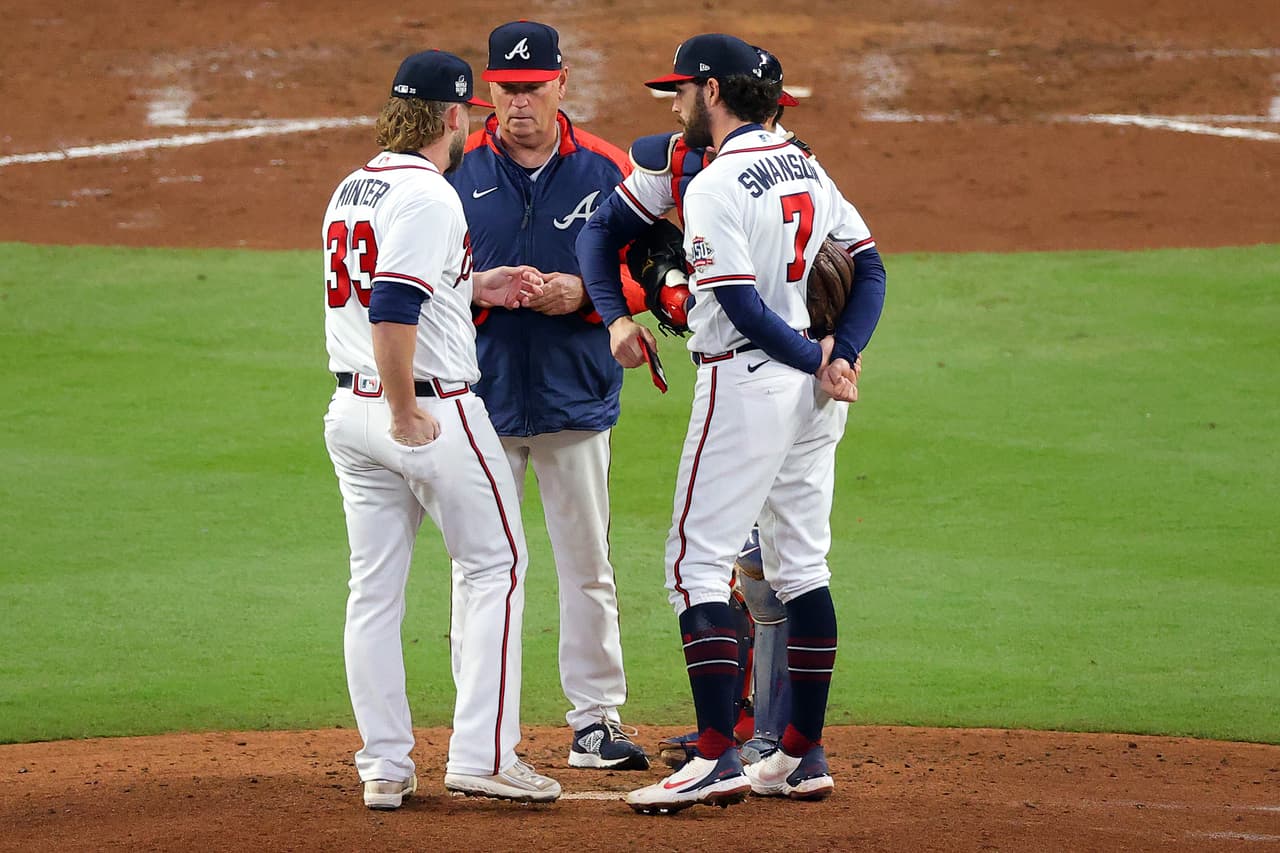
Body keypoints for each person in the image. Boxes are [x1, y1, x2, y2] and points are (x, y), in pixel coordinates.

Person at [581, 33, 886, 814]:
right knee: (801, 567)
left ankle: (716, 753)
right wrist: (839, 353)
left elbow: (743, 308)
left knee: (694, 560)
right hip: (813, 395)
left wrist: (812, 357)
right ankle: (796, 755)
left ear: (713, 91)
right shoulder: (808, 166)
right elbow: (873, 266)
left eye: (683, 88)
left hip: (748, 381)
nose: (677, 101)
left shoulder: (717, 183)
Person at [321, 48, 561, 810]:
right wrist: (404, 411)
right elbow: (393, 306)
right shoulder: (431, 194)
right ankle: (484, 753)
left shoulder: (353, 186)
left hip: (348, 412)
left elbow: (393, 290)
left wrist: (475, 283)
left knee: (373, 593)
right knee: (498, 564)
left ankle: (385, 766)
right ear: (455, 116)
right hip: (425, 409)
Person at [445, 20, 649, 771]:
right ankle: (478, 730)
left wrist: (589, 296)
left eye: (532, 88)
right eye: (506, 88)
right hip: (481, 406)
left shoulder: (608, 171)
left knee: (586, 564)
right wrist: (479, 292)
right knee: (481, 569)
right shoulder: (455, 172)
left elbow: (653, 279)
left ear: (562, 84)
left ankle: (596, 720)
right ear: (489, 90)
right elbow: (418, 288)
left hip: (575, 401)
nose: (519, 103)